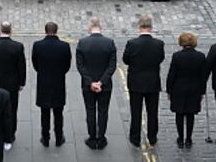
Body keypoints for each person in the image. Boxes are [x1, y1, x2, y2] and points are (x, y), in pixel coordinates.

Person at [122, 14, 165, 147]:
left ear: (139, 26)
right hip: (152, 82)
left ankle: (135, 138)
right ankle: (152, 137)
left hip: (136, 83)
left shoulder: (132, 43)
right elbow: (160, 59)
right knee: (152, 112)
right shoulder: (159, 44)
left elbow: (126, 60)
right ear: (151, 27)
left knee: (136, 111)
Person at [76, 16, 116, 150]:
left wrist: (91, 83)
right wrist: (101, 82)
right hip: (105, 86)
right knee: (103, 111)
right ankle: (101, 138)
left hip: (88, 86)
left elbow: (80, 66)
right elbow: (112, 66)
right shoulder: (109, 43)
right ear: (101, 27)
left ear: (89, 27)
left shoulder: (82, 43)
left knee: (90, 110)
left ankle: (92, 138)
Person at [31, 21, 71, 147]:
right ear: (56, 31)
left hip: (44, 83)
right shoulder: (64, 46)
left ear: (45, 31)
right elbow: (67, 65)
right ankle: (59, 138)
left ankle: (45, 138)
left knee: (44, 113)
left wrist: (42, 72)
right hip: (58, 83)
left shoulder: (38, 45)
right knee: (58, 113)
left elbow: (35, 63)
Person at [166, 32, 206, 148]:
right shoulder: (200, 56)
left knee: (179, 114)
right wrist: (202, 91)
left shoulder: (177, 56)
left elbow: (171, 75)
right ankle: (188, 138)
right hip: (194, 89)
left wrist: (169, 90)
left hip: (179, 88)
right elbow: (203, 76)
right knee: (190, 114)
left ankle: (180, 138)